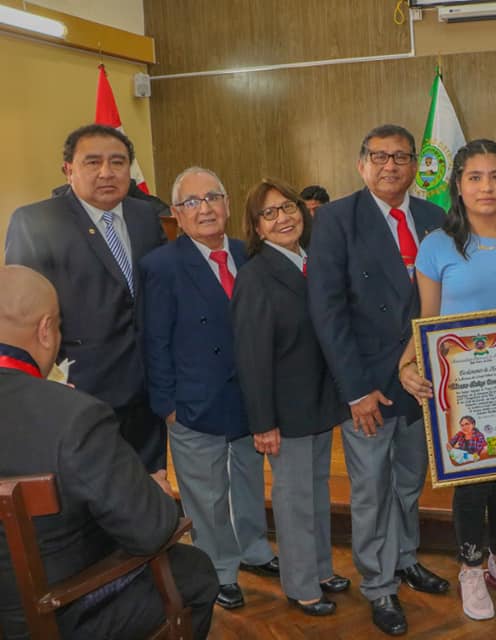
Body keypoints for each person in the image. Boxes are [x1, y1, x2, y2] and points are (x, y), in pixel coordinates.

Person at [0, 265, 219, 639]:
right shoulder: (73, 417)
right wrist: (155, 494)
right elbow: (150, 531)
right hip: (54, 614)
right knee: (194, 571)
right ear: (46, 329)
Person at [398, 138, 496, 621]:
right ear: (458, 185)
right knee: (470, 480)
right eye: (474, 177)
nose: (485, 186)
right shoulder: (437, 244)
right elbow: (426, 318)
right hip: (462, 385)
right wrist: (407, 366)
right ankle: (471, 567)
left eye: (495, 176)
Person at [308, 124, 449, 636]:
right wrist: (355, 390)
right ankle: (378, 584)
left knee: (410, 481)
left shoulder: (436, 219)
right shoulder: (336, 220)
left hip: (422, 382)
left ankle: (405, 557)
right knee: (370, 488)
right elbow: (328, 312)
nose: (390, 166)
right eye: (379, 156)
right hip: (368, 384)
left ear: (416, 166)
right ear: (361, 163)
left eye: (401, 157)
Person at [140, 167, 278, 611]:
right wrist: (168, 406)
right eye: (193, 202)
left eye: (213, 198)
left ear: (228, 205)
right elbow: (154, 341)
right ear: (177, 215)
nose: (205, 209)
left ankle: (255, 550)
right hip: (194, 402)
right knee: (208, 495)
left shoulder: (250, 254)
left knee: (249, 481)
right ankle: (219, 569)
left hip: (249, 399)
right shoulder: (160, 265)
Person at [5, 124, 168, 473]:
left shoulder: (146, 217)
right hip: (81, 395)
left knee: (149, 497)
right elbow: (19, 315)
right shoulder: (37, 221)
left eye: (118, 162)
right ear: (68, 170)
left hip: (147, 394)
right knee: (93, 504)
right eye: (92, 162)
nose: (107, 172)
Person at [232, 178, 351, 617]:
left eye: (288, 207)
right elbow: (251, 356)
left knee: (317, 494)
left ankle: (321, 569)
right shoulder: (256, 276)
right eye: (270, 213)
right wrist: (262, 422)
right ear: (257, 229)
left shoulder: (315, 262)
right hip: (284, 411)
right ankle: (302, 586)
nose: (283, 218)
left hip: (321, 403)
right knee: (294, 499)